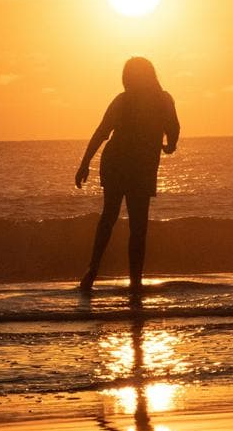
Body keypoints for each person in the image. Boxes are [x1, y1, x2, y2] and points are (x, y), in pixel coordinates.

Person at [75, 57, 180, 294]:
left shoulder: (123, 101)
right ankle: (134, 280)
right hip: (138, 167)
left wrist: (85, 164)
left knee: (109, 217)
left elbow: (102, 133)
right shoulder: (163, 100)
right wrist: (170, 144)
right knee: (137, 225)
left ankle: (93, 272)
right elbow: (174, 128)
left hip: (118, 163)